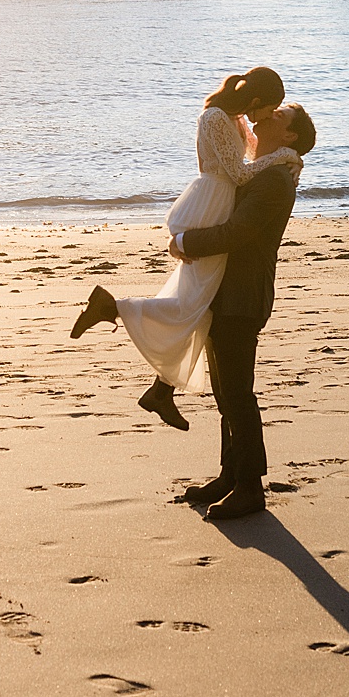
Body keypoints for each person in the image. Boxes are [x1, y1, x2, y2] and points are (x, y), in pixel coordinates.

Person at [69, 69, 303, 431]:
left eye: (276, 113)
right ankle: (117, 315)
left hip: (218, 205)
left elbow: (253, 167)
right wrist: (286, 155)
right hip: (211, 205)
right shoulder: (217, 117)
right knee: (193, 302)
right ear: (256, 101)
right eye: (271, 108)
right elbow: (242, 174)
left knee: (196, 302)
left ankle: (160, 387)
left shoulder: (236, 120)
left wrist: (289, 157)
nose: (269, 116)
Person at [169, 100, 314, 521]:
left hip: (242, 296)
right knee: (225, 395)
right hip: (226, 291)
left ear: (290, 137)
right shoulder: (261, 171)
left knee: (237, 395)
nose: (269, 115)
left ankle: (250, 487)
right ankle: (230, 474)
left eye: (280, 115)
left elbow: (240, 232)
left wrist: (185, 244)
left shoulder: (274, 180)